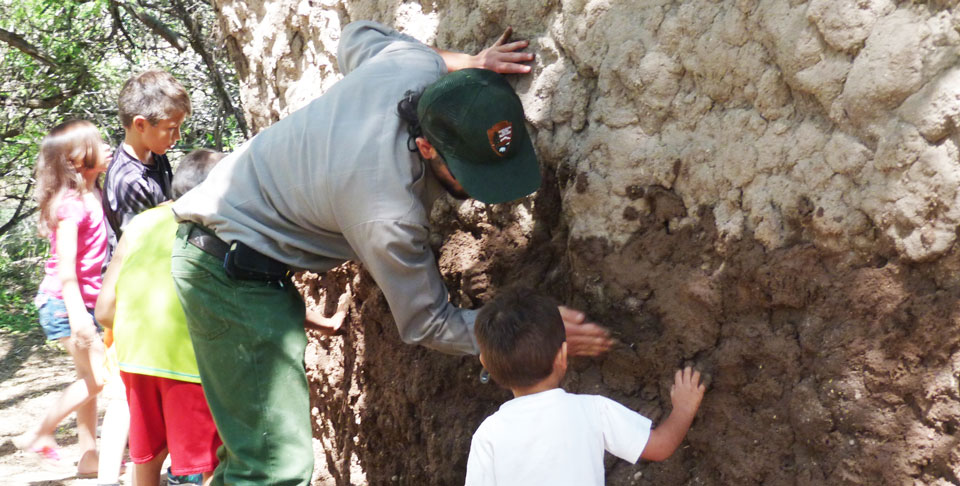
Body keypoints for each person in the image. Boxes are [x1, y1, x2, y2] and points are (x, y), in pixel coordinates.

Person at [170, 20, 613, 485]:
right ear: (425, 145)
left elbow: (356, 36)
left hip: (239, 255)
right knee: (272, 467)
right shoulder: (387, 213)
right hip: (227, 276)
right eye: (467, 174)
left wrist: (470, 65)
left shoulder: (413, 65)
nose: (481, 194)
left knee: (254, 458)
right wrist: (527, 335)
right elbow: (426, 322)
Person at [464, 288, 706, 485]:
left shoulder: (488, 435)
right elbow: (660, 447)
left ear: (486, 364)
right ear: (563, 356)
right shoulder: (592, 411)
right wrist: (683, 409)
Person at [96, 149, 226, 486]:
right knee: (209, 462)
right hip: (188, 362)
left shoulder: (141, 222)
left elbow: (104, 310)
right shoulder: (216, 225)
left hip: (135, 360)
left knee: (148, 459)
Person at [15, 120, 112, 477]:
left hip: (81, 302)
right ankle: (39, 432)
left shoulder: (93, 193)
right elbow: (67, 271)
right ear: (75, 160)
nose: (107, 148)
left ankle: (88, 457)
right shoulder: (71, 205)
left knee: (88, 378)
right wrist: (79, 317)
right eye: (98, 144)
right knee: (101, 377)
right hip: (65, 302)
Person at [102, 69, 191, 264]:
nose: (178, 137)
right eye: (171, 128)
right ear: (140, 125)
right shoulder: (129, 180)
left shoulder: (156, 155)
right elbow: (140, 246)